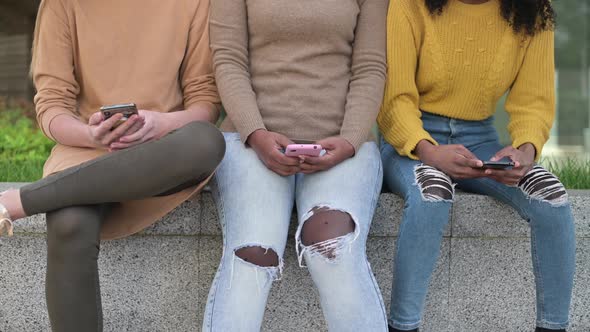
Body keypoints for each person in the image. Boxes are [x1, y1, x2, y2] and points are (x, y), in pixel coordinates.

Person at [0, 0, 225, 330]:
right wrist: (93, 136)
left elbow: (205, 102)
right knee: (69, 223)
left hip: (163, 155)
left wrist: (160, 123)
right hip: (83, 151)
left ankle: (17, 202)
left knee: (208, 141)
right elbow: (51, 106)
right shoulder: (62, 4)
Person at [378, 0, 575, 331]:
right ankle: (402, 325)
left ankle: (553, 326)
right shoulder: (407, 4)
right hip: (412, 141)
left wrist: (526, 150)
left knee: (551, 197)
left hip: (481, 139)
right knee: (433, 193)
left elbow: (534, 100)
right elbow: (394, 99)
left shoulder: (533, 10)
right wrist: (428, 151)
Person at [202, 0, 390, 330]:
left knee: (332, 249)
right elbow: (229, 61)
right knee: (253, 255)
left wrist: (349, 141)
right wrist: (256, 134)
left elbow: (370, 67)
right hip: (251, 141)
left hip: (343, 144)